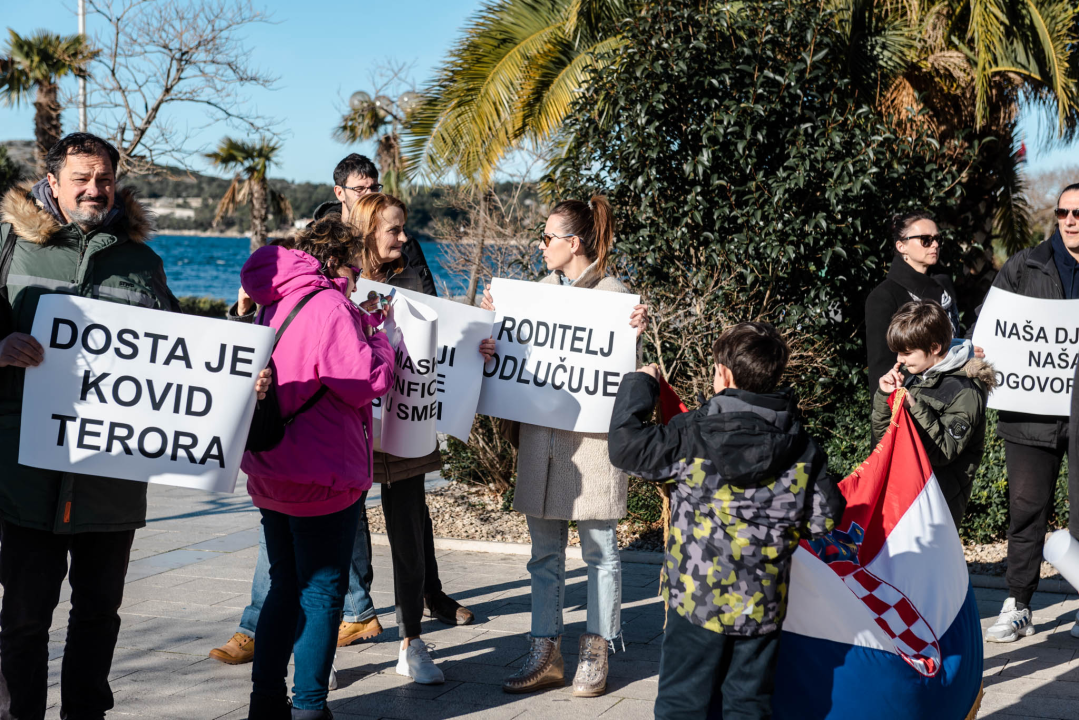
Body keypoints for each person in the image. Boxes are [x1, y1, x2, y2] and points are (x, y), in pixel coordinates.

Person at [0, 132, 270, 720]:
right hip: (24, 474)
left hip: (110, 478)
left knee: (99, 615)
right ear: (53, 183)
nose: (95, 190)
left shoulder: (142, 261)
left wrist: (239, 379)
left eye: (104, 179)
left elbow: (182, 354)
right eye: (82, 179)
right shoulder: (8, 249)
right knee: (22, 618)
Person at [606, 322, 845, 720]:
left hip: (695, 601)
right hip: (762, 601)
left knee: (682, 703)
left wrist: (641, 383)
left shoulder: (690, 433)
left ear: (725, 375)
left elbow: (626, 445)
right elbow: (824, 517)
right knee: (748, 705)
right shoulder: (802, 448)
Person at [479, 196, 649, 697]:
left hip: (593, 447)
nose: (541, 245)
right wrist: (493, 337)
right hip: (542, 445)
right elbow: (512, 366)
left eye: (548, 237)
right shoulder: (532, 296)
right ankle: (544, 649)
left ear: (573, 243)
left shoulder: (618, 298)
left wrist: (636, 331)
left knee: (601, 551)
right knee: (543, 555)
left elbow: (625, 377)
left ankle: (598, 649)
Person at [240, 218, 396, 719]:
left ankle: (264, 701)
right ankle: (309, 706)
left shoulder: (273, 297)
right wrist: (385, 343)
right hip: (322, 469)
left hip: (271, 463)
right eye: (354, 264)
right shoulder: (331, 305)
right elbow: (364, 380)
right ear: (337, 261)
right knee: (323, 590)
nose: (357, 273)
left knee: (283, 583)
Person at [349, 191, 459, 685]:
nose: (403, 237)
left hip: (407, 419)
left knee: (409, 535)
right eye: (394, 230)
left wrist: (476, 343)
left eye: (404, 228)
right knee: (334, 539)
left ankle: (412, 642)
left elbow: (446, 335)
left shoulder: (414, 277)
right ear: (369, 229)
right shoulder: (340, 281)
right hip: (352, 426)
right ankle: (324, 644)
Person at [984, 183, 1079, 643]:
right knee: (1025, 510)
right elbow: (992, 330)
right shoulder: (1025, 264)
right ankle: (1018, 604)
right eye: (1064, 212)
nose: (1071, 220)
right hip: (1029, 416)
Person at [873, 301, 996, 528]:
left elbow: (944, 451)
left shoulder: (966, 389)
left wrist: (914, 406)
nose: (900, 359)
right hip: (904, 493)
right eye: (898, 352)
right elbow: (884, 440)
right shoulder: (915, 373)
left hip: (937, 502)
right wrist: (884, 396)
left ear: (935, 347)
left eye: (907, 352)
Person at [865, 212, 962, 399]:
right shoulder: (884, 296)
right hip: (913, 401)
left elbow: (955, 334)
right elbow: (882, 367)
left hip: (955, 396)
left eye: (937, 239)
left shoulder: (944, 286)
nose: (934, 245)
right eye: (925, 240)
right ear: (902, 246)